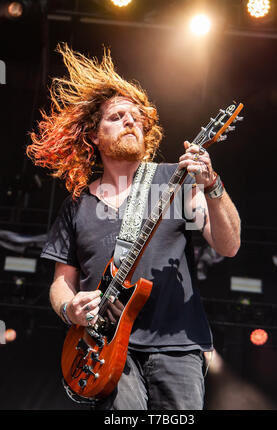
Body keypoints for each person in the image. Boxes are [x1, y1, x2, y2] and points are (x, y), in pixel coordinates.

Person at [26, 43, 241, 410]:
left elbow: (228, 245)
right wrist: (69, 310)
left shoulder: (175, 179)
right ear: (93, 136)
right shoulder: (77, 204)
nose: (130, 120)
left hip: (177, 345)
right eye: (117, 116)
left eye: (136, 116)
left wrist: (213, 185)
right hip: (105, 347)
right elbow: (62, 282)